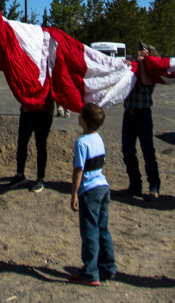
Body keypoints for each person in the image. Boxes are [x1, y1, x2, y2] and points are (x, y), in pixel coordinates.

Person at [69, 102, 115, 287]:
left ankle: (90, 272)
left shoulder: (81, 142)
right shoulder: (98, 139)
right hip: (103, 187)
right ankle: (108, 266)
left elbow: (78, 170)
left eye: (80, 115)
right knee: (103, 229)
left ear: (85, 122)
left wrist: (74, 194)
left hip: (89, 190)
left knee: (89, 232)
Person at [121, 43, 161, 199]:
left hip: (143, 115)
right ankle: (135, 185)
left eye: (143, 50)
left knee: (148, 152)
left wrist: (142, 63)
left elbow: (145, 81)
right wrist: (127, 66)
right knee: (128, 152)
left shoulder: (151, 71)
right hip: (128, 114)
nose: (139, 51)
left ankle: (154, 187)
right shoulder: (134, 67)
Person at [9, 89, 55, 192]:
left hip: (44, 110)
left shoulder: (49, 72)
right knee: (22, 143)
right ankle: (20, 175)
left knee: (41, 144)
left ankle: (40, 178)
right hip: (27, 109)